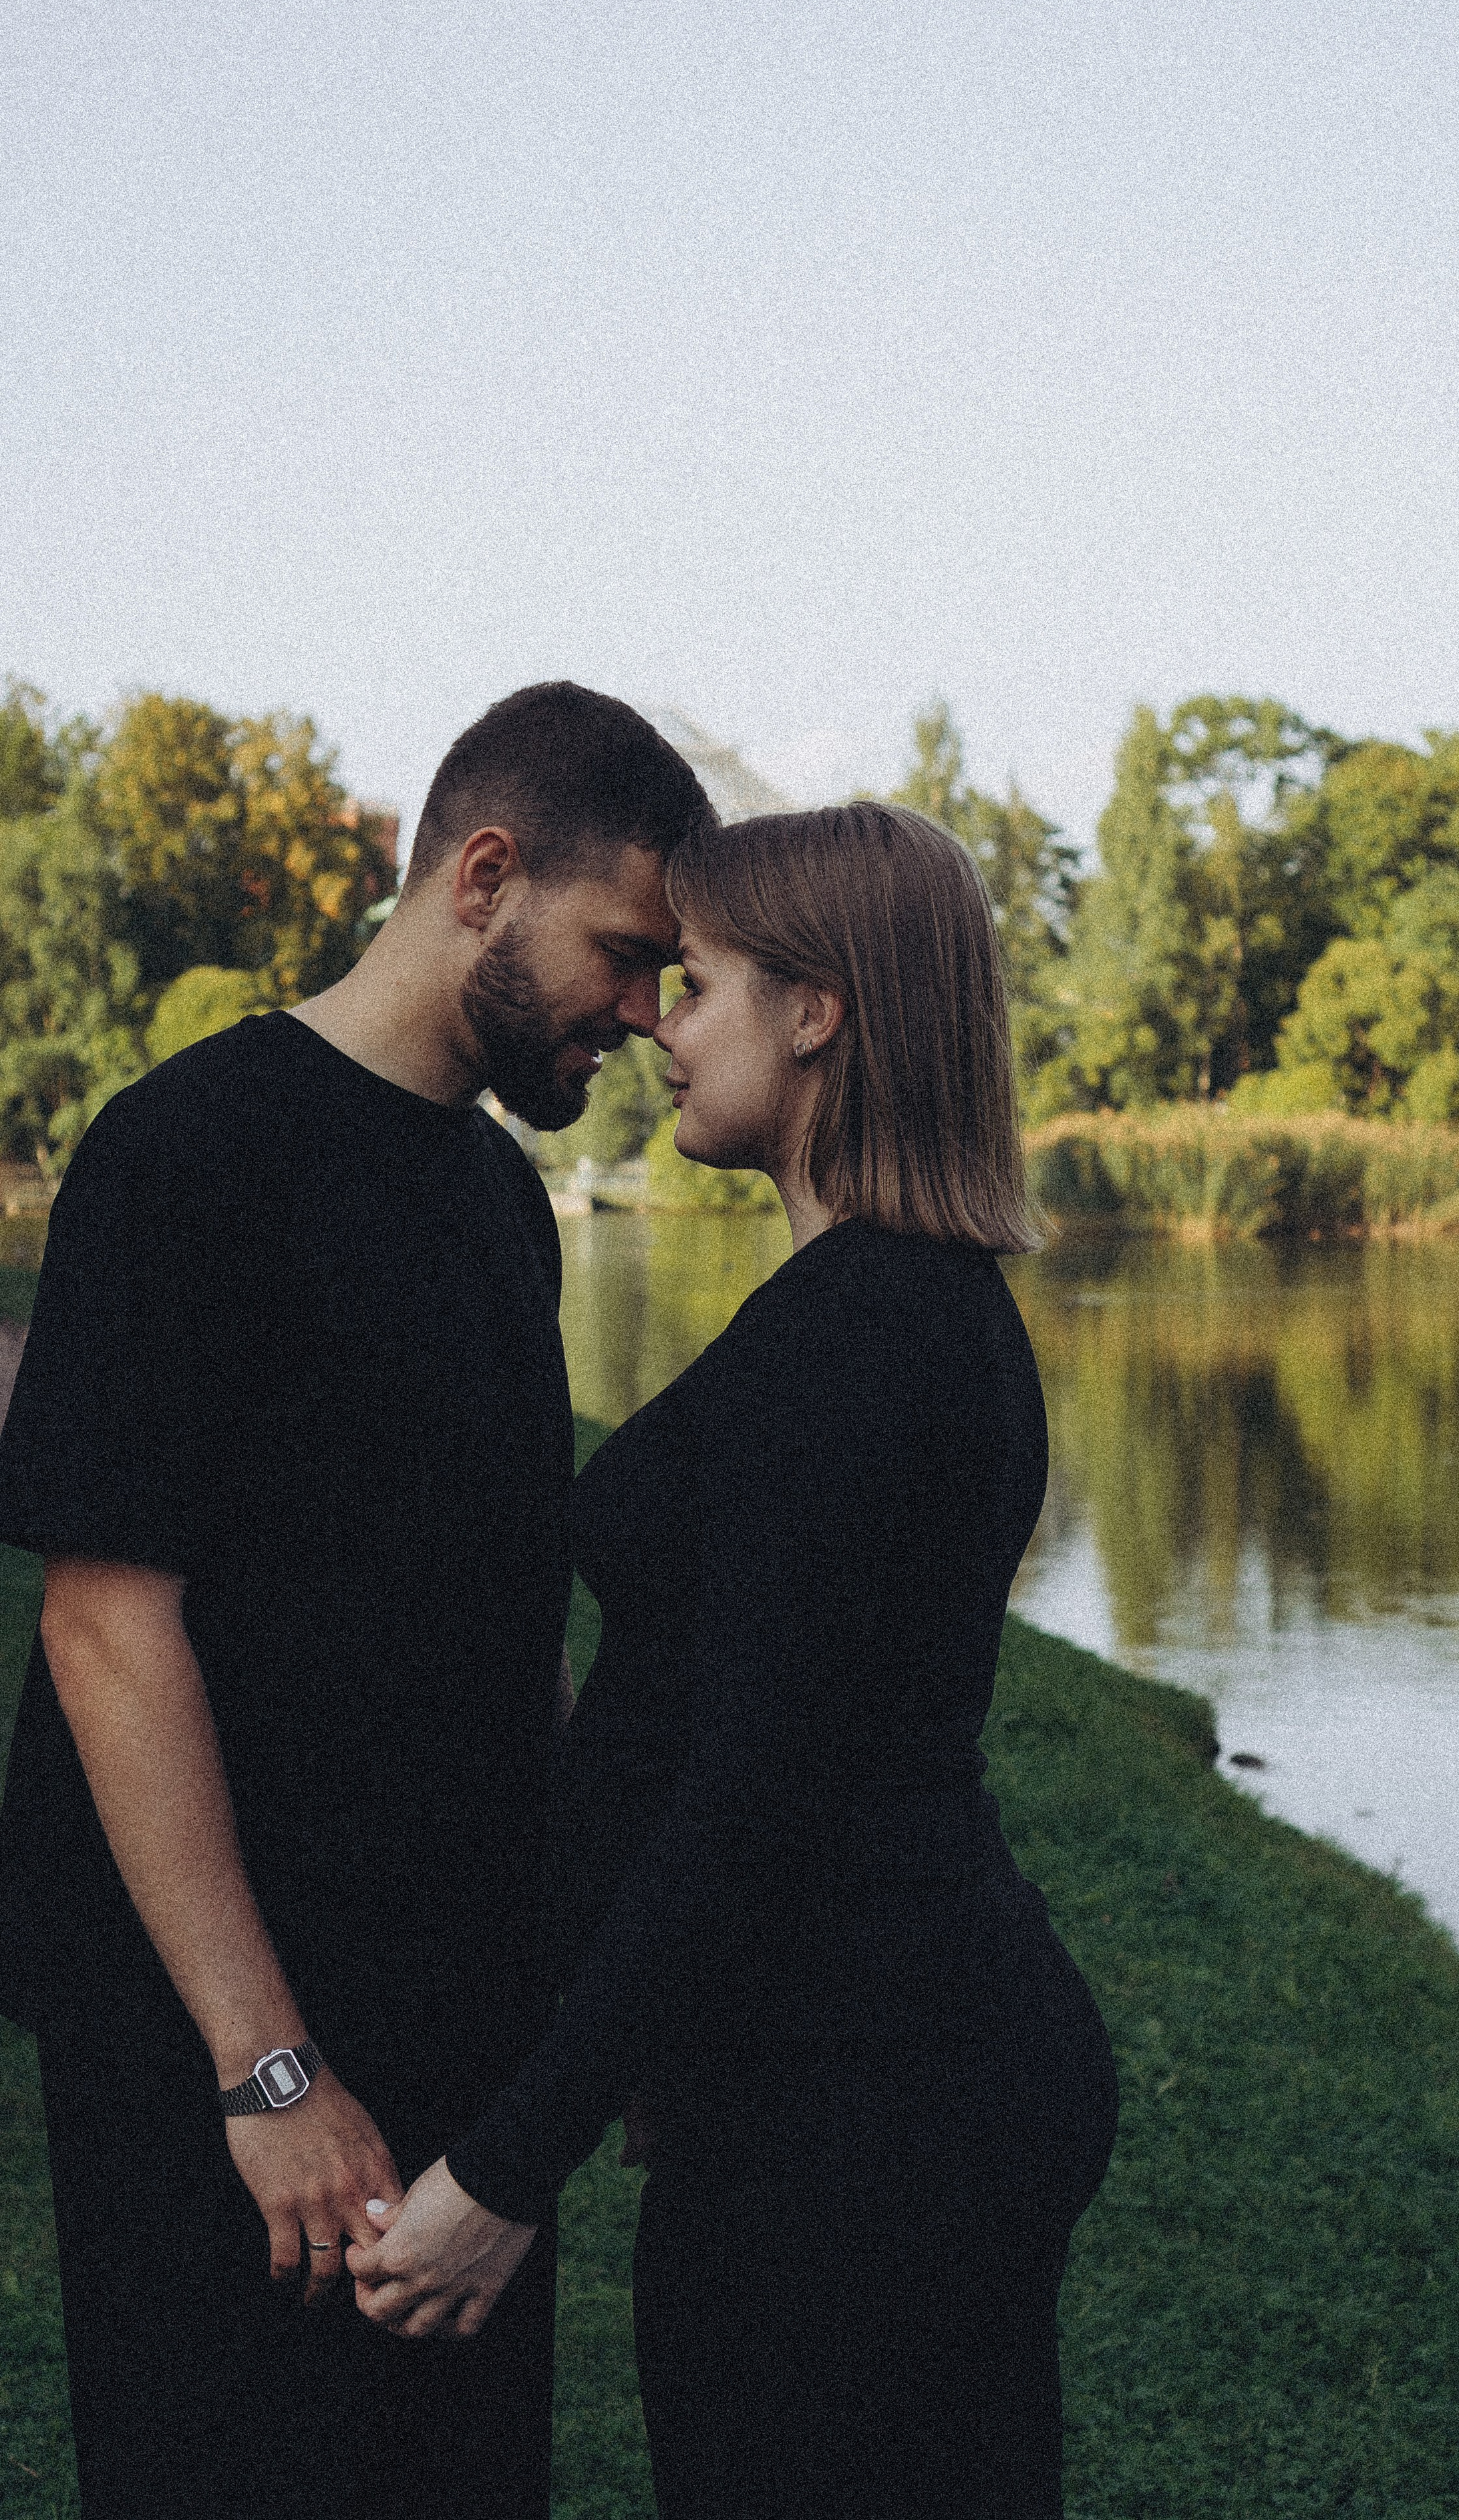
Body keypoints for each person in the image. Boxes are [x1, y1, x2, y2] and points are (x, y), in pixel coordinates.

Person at [351, 801, 1120, 2518]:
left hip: (872, 2111)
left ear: (818, 1009)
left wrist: (506, 2168)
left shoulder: (873, 1335)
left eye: (693, 984)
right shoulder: (882, 1302)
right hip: (840, 2064)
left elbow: (748, 1799)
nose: (654, 1027)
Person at [0, 683, 711, 2519]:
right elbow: (103, 1623)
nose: (643, 1017)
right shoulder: (188, 1156)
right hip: (219, 2039)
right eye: (626, 954)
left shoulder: (493, 1200)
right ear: (485, 875)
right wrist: (268, 2069)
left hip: (461, 2023)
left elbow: (500, 1631)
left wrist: (584, 2002)